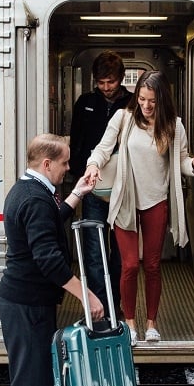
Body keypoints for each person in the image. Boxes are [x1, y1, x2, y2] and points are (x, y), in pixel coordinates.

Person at [0, 133, 103, 386]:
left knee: (41, 380)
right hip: (25, 305)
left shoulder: (28, 191)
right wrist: (86, 295)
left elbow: (50, 221)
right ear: (47, 165)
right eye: (64, 164)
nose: (68, 169)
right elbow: (48, 259)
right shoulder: (35, 199)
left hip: (28, 302)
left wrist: (78, 195)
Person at [82, 70, 194, 346]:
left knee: (152, 266)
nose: (146, 106)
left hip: (156, 201)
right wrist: (93, 166)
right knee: (129, 266)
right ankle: (129, 324)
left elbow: (182, 162)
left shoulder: (174, 126)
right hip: (125, 199)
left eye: (152, 101)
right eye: (141, 99)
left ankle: (151, 323)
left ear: (162, 99)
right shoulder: (123, 118)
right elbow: (103, 149)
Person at [68, 50, 133, 325]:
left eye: (111, 82)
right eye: (101, 82)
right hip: (92, 187)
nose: (106, 88)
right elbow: (77, 141)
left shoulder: (132, 104)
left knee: (119, 254)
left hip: (123, 188)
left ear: (120, 79)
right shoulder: (85, 102)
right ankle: (99, 308)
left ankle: (115, 306)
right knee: (93, 252)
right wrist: (77, 180)